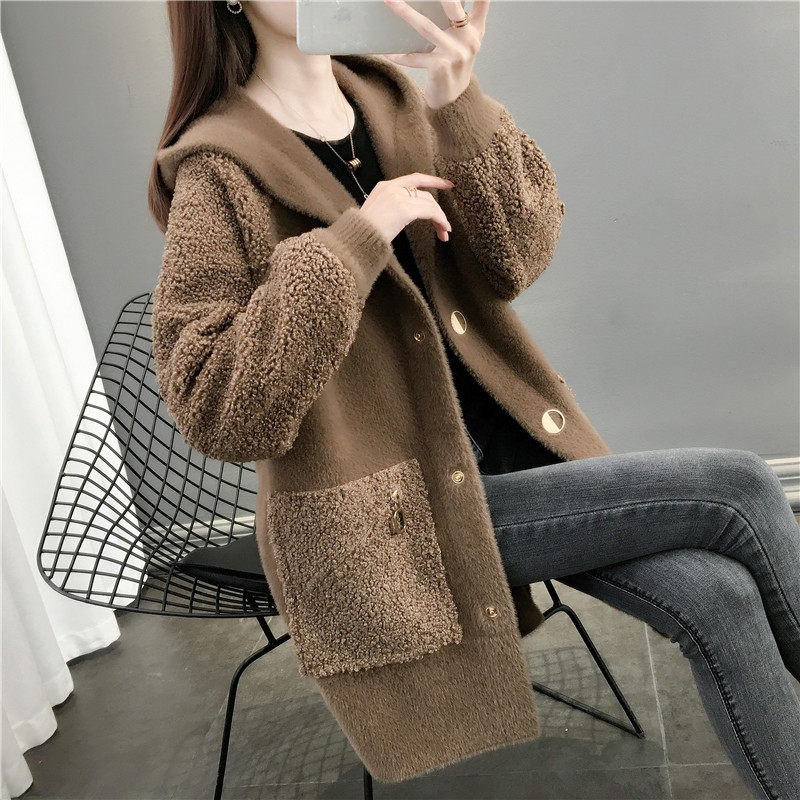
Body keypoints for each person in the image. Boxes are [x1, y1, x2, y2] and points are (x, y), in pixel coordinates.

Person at [148, 2, 800, 796]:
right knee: (742, 486)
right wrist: (359, 237)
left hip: (520, 460)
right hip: (404, 514)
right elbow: (217, 406)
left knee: (720, 597)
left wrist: (458, 102)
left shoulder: (388, 94)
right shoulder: (218, 168)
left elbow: (518, 259)